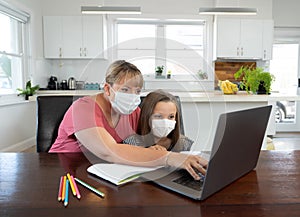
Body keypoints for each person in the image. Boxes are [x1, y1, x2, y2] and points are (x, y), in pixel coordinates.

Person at [49, 60, 207, 180]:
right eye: (125, 89)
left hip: (107, 171)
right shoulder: (83, 109)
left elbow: (146, 141)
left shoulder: (133, 111)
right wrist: (169, 158)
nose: (132, 96)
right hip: (65, 171)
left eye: (137, 91)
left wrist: (158, 149)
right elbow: (109, 151)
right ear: (107, 89)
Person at [124, 90, 194, 152]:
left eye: (171, 117)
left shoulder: (185, 144)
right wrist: (145, 153)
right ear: (147, 117)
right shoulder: (132, 143)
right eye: (158, 116)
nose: (165, 122)